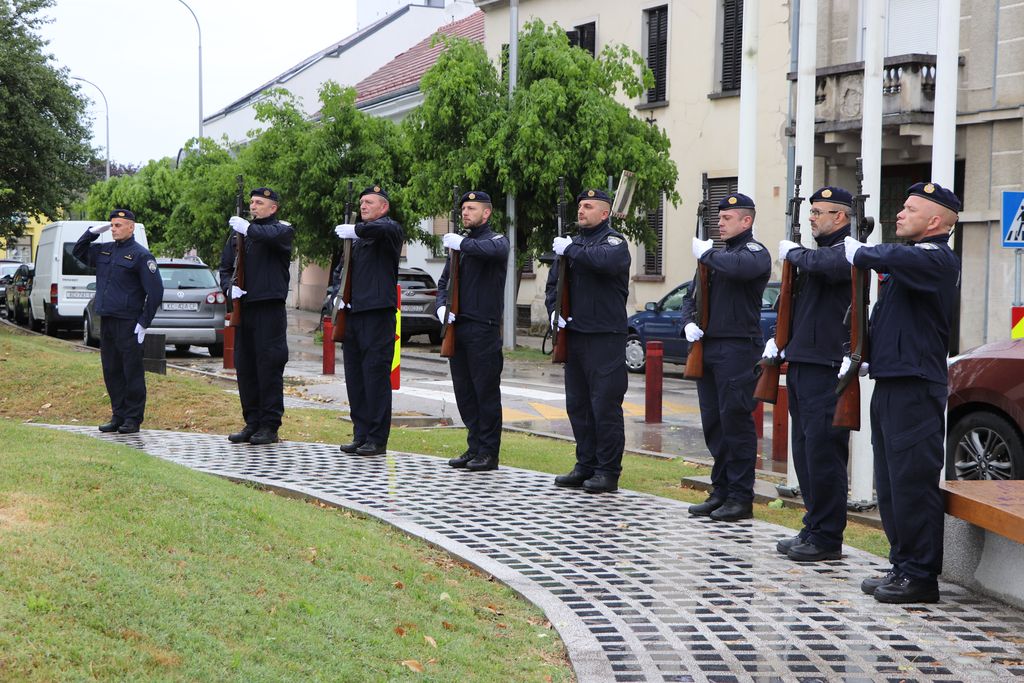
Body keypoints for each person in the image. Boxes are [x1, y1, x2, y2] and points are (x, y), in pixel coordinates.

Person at [844, 181, 960, 604]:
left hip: (916, 388)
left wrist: (858, 250)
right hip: (893, 380)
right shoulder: (911, 262)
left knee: (913, 481)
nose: (899, 213)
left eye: (909, 209)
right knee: (890, 482)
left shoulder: (935, 259)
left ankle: (921, 576)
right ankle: (902, 562)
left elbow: (888, 255)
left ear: (934, 221)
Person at [765, 186, 852, 561]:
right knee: (804, 451)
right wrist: (778, 340)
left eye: (819, 212)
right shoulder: (815, 256)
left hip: (827, 366)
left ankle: (828, 536)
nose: (812, 217)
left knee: (824, 452)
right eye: (811, 211)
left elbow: (827, 267)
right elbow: (794, 305)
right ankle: (814, 526)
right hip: (802, 362)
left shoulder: (846, 252)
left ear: (841, 217)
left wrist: (795, 253)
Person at [682, 193, 771, 522]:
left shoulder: (753, 253)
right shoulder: (714, 258)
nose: (720, 223)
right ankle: (720, 490)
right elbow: (691, 297)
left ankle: (740, 497)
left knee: (736, 423)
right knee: (714, 424)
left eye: (727, 218)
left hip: (737, 348)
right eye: (718, 218)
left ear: (746, 221)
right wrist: (688, 322)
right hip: (707, 348)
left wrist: (707, 255)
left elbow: (739, 270)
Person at [547, 188, 631, 494]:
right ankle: (585, 464)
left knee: (604, 405)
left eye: (588, 206)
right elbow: (554, 286)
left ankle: (608, 470)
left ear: (605, 213)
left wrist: (570, 250)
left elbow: (604, 263)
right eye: (580, 205)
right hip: (576, 336)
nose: (581, 210)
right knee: (578, 405)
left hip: (605, 337)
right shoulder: (572, 244)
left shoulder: (614, 243)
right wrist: (554, 313)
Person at [435, 190, 509, 472]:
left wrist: (462, 245)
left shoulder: (495, 240)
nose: (466, 213)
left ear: (486, 213)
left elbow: (494, 251)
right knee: (464, 392)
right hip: (458, 327)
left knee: (485, 393)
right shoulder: (459, 247)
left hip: (483, 328)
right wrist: (441, 308)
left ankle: (489, 452)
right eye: (464, 208)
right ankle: (475, 445)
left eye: (472, 208)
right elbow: (444, 283)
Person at [73, 209, 163, 434]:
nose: (114, 229)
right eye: (112, 225)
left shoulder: (141, 256)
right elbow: (78, 251)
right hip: (108, 320)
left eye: (118, 225)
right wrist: (92, 233)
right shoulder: (105, 251)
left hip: (129, 322)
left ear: (131, 227)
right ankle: (118, 415)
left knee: (131, 371)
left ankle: (132, 419)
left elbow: (156, 292)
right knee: (111, 370)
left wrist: (144, 322)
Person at [218, 187, 295, 445]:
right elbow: (226, 267)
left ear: (273, 208)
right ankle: (252, 422)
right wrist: (230, 288)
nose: (253, 206)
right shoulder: (240, 233)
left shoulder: (281, 230)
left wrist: (246, 229)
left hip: (268, 308)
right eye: (251, 202)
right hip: (245, 308)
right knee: (246, 366)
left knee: (268, 366)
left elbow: (270, 237)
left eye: (259, 202)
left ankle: (269, 426)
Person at [333, 185, 404, 456]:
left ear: (383, 207)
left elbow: (383, 230)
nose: (363, 206)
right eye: (361, 202)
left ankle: (377, 438)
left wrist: (356, 230)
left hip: (377, 314)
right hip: (353, 314)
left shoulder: (389, 230)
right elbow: (342, 270)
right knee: (356, 378)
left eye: (369, 202)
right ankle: (360, 433)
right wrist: (336, 298)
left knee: (375, 377)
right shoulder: (358, 237)